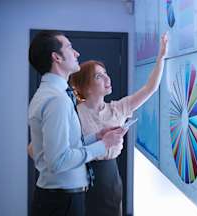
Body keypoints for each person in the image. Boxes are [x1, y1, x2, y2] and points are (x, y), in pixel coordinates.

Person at [28, 30, 127, 216]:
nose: (77, 54)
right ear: (56, 57)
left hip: (60, 198)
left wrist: (96, 137)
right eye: (70, 48)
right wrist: (103, 145)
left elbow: (65, 148)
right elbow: (58, 161)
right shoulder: (56, 99)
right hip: (62, 202)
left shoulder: (54, 95)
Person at [68, 33, 168, 216]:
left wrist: (161, 57)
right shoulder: (74, 113)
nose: (107, 79)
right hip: (81, 178)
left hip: (111, 178)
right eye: (99, 76)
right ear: (86, 86)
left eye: (106, 74)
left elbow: (150, 88)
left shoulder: (118, 109)